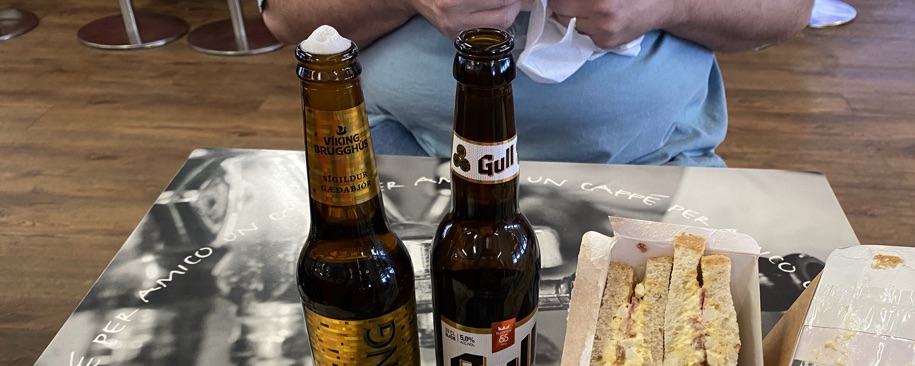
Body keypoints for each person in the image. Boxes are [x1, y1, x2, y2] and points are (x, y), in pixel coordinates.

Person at [262, 1, 814, 166]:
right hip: (401, 153)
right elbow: (286, 18)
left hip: (655, 163)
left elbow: (791, 10)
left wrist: (669, 4)